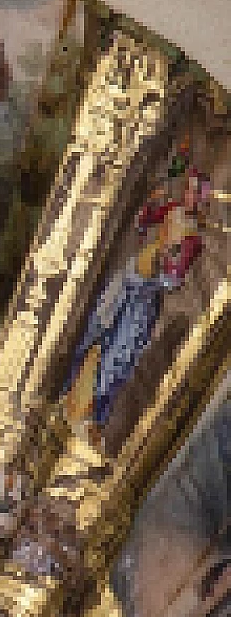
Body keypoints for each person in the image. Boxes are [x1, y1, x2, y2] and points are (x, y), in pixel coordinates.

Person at [63, 145, 211, 444]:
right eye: (189, 188)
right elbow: (143, 223)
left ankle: (92, 421)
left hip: (143, 299)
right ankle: (67, 401)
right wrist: (151, 204)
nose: (190, 195)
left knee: (119, 355)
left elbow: (172, 280)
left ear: (202, 199)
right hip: (126, 282)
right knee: (96, 334)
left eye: (197, 192)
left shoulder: (194, 239)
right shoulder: (170, 209)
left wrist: (166, 264)